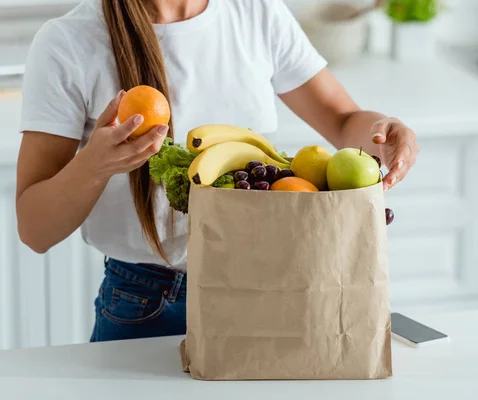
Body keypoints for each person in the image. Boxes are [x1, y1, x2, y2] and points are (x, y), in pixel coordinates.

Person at [16, 0, 418, 342]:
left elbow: (343, 119)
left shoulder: (254, 11)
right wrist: (94, 165)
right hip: (148, 302)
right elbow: (35, 229)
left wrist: (382, 131)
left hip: (266, 285)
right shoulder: (68, 42)